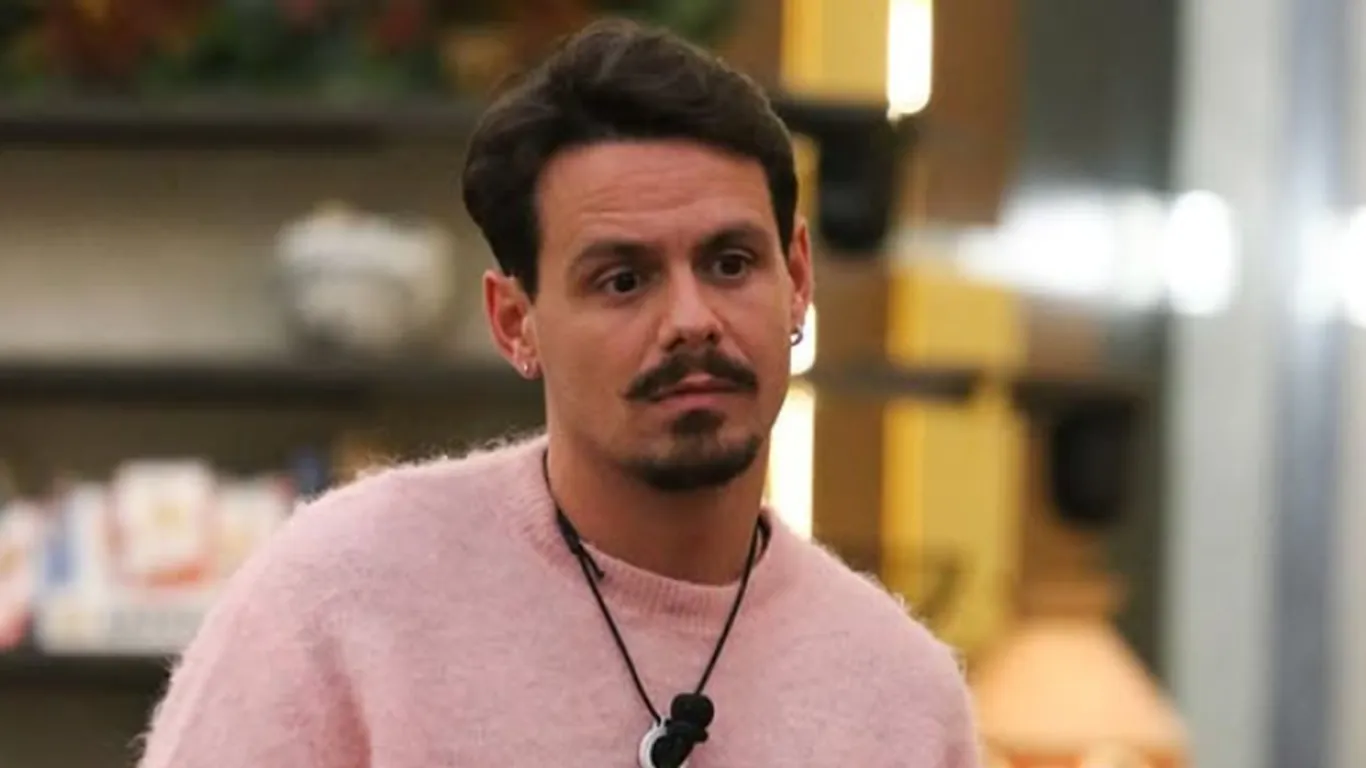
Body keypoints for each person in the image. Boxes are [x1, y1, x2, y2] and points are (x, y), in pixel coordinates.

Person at [136, 18, 981, 768]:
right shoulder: (343, 599)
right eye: (623, 280)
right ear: (516, 324)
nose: (691, 320)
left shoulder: (900, 697)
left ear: (796, 280)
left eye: (730, 264)